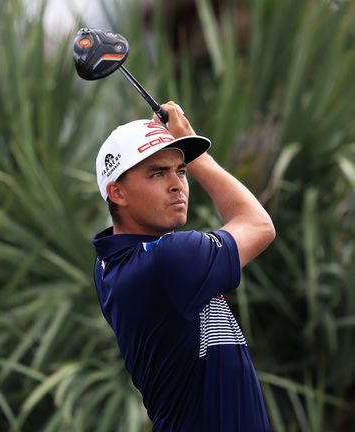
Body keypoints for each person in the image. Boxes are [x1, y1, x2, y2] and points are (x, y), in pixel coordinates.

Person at [91, 101, 275, 431]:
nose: (177, 184)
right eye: (157, 173)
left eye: (181, 170)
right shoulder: (171, 259)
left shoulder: (109, 265)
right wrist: (196, 151)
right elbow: (259, 225)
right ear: (117, 192)